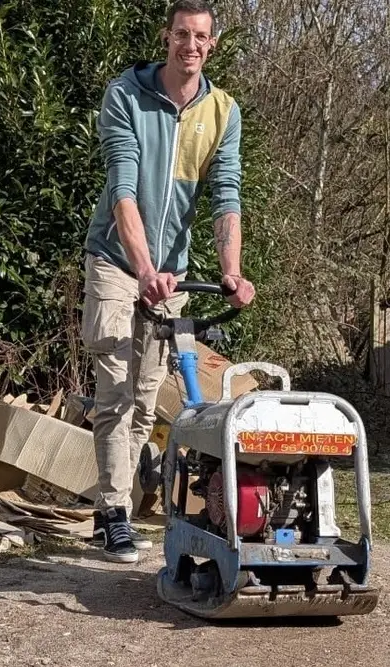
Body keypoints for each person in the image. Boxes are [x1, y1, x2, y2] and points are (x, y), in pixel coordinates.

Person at [80, 0, 256, 563]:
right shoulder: (126, 95)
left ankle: (117, 510)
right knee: (113, 394)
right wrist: (142, 268)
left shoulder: (223, 113)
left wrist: (231, 269)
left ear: (212, 45)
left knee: (144, 398)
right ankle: (112, 514)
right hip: (114, 259)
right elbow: (122, 188)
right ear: (167, 37)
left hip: (171, 273)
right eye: (182, 34)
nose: (191, 45)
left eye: (200, 37)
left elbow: (226, 198)